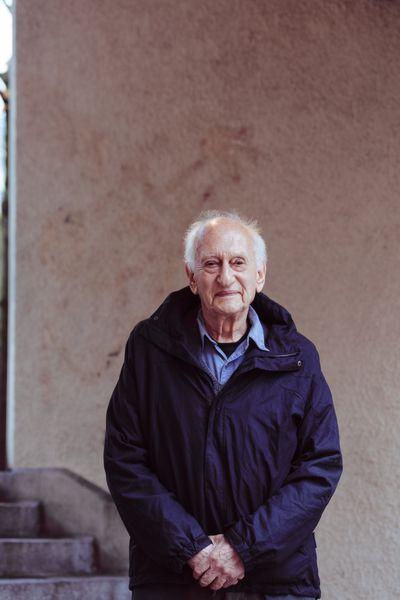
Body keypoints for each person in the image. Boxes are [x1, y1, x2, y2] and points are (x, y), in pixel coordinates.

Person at [103, 209, 343, 600]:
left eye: (238, 263)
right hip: (174, 580)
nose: (226, 277)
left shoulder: (298, 357)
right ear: (191, 278)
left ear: (260, 275)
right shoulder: (150, 349)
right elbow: (125, 458)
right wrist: (192, 549)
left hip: (275, 582)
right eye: (211, 264)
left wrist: (242, 548)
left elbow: (320, 465)